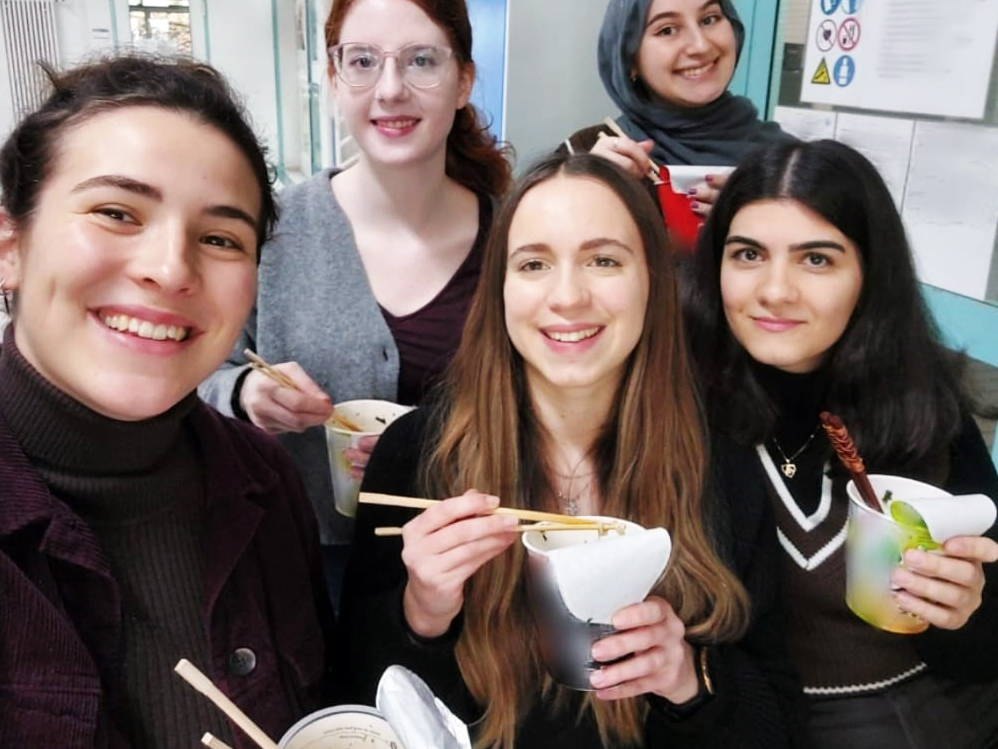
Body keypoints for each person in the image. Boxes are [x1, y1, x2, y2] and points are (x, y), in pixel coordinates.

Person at [0, 56, 331, 749]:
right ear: (9, 246)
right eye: (117, 212)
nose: (171, 268)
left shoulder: (265, 482)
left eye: (220, 237)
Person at [340, 153, 801, 748]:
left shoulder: (721, 464)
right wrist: (422, 614)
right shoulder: (415, 455)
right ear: (500, 288)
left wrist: (686, 679)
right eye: (533, 264)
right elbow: (354, 706)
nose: (567, 297)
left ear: (652, 283)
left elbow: (781, 724)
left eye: (603, 260)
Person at [198, 0, 511, 604]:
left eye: (422, 60)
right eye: (362, 61)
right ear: (334, 80)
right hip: (309, 561)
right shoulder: (273, 230)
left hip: (477, 564)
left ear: (464, 81)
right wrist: (247, 392)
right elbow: (198, 367)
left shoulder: (514, 240)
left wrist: (435, 454)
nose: (390, 89)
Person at [685, 138, 998, 748]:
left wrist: (964, 612)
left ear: (868, 275)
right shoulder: (680, 402)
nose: (775, 291)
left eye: (817, 260)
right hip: (737, 724)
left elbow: (986, 647)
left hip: (914, 717)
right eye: (748, 254)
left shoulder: (925, 406)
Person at [565, 0, 790, 218]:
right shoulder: (588, 152)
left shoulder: (788, 161)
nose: (701, 45)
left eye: (710, 19)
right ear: (630, 59)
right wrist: (587, 195)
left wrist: (767, 217)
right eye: (667, 30)